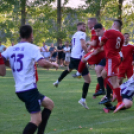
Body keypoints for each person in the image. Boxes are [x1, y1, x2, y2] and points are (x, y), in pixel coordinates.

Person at [2, 25, 58, 134]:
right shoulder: (32, 47)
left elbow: (2, 59)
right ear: (31, 35)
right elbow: (42, 63)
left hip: (21, 89)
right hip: (28, 89)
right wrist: (53, 64)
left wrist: (11, 65)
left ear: (20, 35)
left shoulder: (11, 49)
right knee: (36, 120)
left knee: (49, 104)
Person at [53, 22, 91, 109]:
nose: (85, 27)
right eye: (83, 26)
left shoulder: (74, 34)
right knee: (88, 80)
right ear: (79, 27)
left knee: (68, 69)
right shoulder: (82, 33)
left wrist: (86, 45)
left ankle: (57, 81)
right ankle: (82, 99)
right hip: (78, 58)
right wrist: (88, 53)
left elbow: (78, 45)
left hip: (73, 56)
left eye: (85, 26)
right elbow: (82, 45)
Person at [72, 19, 106, 96]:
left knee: (84, 58)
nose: (87, 26)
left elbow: (94, 42)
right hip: (101, 52)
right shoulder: (100, 30)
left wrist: (87, 42)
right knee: (100, 72)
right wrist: (89, 48)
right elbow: (95, 43)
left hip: (100, 52)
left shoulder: (95, 30)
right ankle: (104, 92)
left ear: (93, 24)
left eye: (88, 24)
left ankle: (78, 73)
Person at [99, 19, 124, 113]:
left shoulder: (109, 32)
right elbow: (120, 48)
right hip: (117, 57)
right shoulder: (121, 35)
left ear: (113, 24)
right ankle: (115, 92)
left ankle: (120, 101)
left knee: (114, 81)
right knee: (103, 74)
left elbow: (101, 43)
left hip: (111, 58)